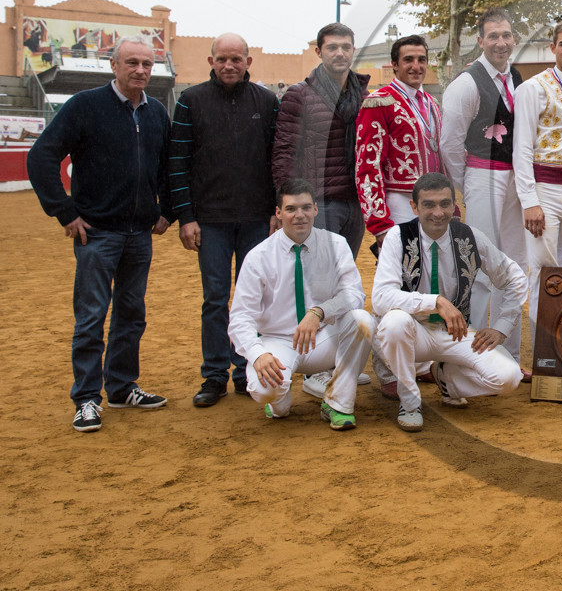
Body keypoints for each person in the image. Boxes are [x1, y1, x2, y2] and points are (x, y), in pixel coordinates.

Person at [27, 35, 172, 432]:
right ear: (114, 65)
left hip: (139, 234)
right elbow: (40, 156)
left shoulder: (156, 111)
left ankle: (122, 387)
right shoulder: (85, 107)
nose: (140, 70)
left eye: (146, 63)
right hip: (96, 234)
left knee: (131, 314)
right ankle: (87, 398)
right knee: (91, 317)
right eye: (132, 63)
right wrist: (65, 213)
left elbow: (166, 167)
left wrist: (166, 211)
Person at [169, 33, 279, 408]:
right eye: (222, 59)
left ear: (249, 61)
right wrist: (186, 216)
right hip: (210, 221)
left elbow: (274, 162)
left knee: (253, 301)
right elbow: (178, 162)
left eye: (236, 59)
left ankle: (246, 371)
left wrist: (275, 211)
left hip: (255, 221)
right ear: (210, 61)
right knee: (215, 299)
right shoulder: (190, 100)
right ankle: (214, 375)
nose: (229, 65)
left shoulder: (266, 102)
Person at [372, 173, 526, 432]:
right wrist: (436, 302)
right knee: (394, 322)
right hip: (412, 334)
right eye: (429, 204)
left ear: (455, 205)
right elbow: (380, 298)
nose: (438, 212)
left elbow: (515, 279)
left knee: (509, 378)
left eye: (445, 204)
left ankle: (446, 378)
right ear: (414, 207)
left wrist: (501, 327)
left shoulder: (470, 236)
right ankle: (409, 402)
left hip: (456, 334)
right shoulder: (398, 237)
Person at [227, 179, 376, 430]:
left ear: (316, 209)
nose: (300, 215)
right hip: (277, 342)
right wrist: (258, 355)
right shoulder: (258, 257)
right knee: (265, 390)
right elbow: (240, 317)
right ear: (278, 213)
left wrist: (319, 312)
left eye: (306, 208)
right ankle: (279, 399)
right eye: (291, 209)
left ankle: (338, 403)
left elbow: (354, 294)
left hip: (323, 339)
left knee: (363, 322)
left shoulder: (336, 245)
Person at [440, 9, 527, 370]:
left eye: (506, 35)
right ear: (480, 40)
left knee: (515, 268)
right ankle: (470, 359)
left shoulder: (516, 77)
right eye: (493, 36)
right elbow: (449, 143)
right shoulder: (466, 83)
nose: (501, 42)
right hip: (482, 177)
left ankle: (512, 354)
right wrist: (469, 186)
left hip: (514, 181)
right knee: (476, 271)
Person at [513, 20, 562, 343]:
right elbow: (522, 147)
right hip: (545, 188)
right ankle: (542, 352)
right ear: (552, 48)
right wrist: (529, 201)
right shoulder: (533, 87)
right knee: (543, 271)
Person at [273, 22, 369, 258]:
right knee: (317, 276)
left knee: (345, 274)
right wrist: (292, 202)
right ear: (319, 51)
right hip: (318, 203)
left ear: (353, 51)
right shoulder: (299, 95)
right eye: (332, 47)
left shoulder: (365, 96)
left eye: (346, 47)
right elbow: (285, 153)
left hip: (355, 203)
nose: (340, 53)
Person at [355, 34, 445, 243]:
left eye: (421, 60)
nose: (416, 66)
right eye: (408, 60)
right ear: (394, 65)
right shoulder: (379, 102)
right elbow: (368, 166)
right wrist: (379, 224)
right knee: (403, 270)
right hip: (400, 202)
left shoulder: (432, 103)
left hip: (436, 203)